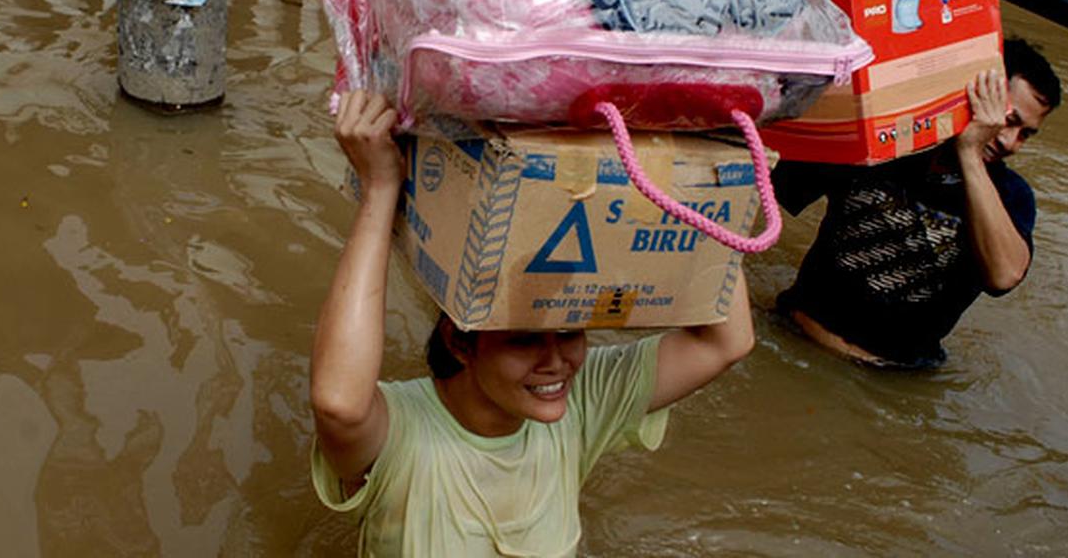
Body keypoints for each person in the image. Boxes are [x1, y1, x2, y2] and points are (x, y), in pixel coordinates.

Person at [310, 90, 756, 556]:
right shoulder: (402, 433)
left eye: (568, 333)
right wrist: (380, 190)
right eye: (523, 341)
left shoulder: (582, 402)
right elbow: (339, 406)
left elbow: (725, 342)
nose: (556, 362)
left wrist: (692, 176)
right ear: (459, 342)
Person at [773, 38, 1062, 368]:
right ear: (977, 92)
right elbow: (764, 184)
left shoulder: (1010, 195)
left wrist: (970, 153)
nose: (1011, 142)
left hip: (893, 379)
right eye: (1007, 120)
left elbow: (1004, 275)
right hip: (794, 338)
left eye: (1025, 134)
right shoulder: (883, 142)